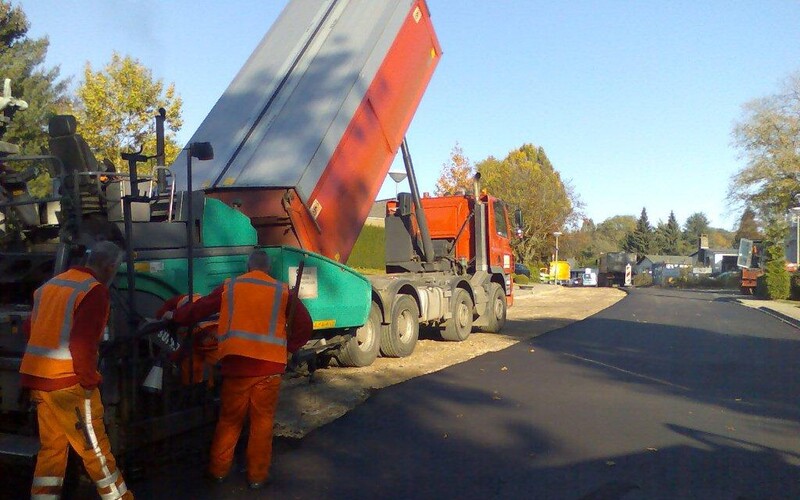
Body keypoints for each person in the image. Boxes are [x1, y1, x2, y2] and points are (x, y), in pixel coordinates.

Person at [167, 249, 312, 489]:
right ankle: (257, 477)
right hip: (269, 368)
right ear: (268, 269)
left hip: (237, 367)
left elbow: (199, 309)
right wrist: (288, 347)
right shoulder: (282, 291)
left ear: (247, 267)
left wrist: (176, 317)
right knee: (262, 424)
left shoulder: (231, 287)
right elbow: (305, 325)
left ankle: (218, 471)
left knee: (229, 421)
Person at [20, 240, 133, 499]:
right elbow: (82, 344)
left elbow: (30, 329)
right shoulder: (94, 291)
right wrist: (89, 379)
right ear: (110, 266)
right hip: (69, 385)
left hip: (39, 381)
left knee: (52, 450)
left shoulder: (51, 286)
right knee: (95, 451)